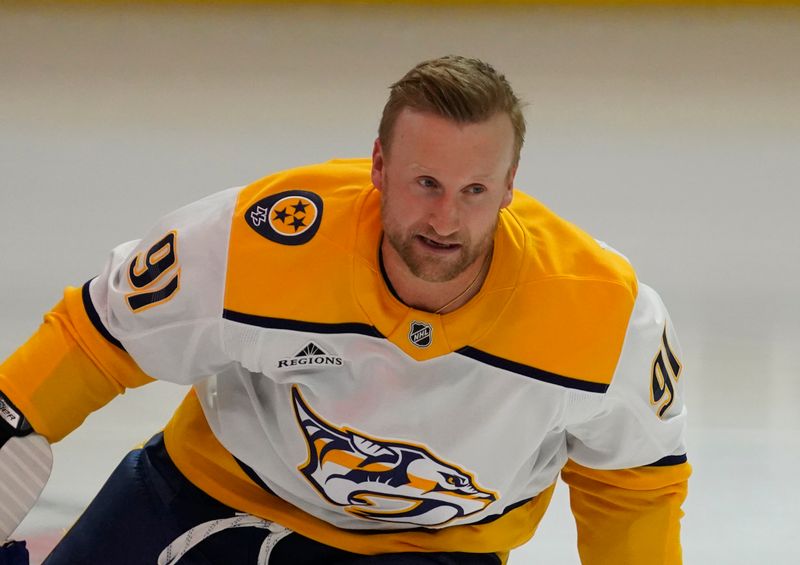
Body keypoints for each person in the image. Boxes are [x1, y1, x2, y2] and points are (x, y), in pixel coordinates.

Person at [0, 55, 690, 565]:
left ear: (511, 185)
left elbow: (632, 489)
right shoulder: (265, 241)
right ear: (379, 166)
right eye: (425, 182)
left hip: (431, 547)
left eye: (474, 188)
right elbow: (95, 342)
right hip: (208, 495)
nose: (445, 217)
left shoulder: (603, 312)